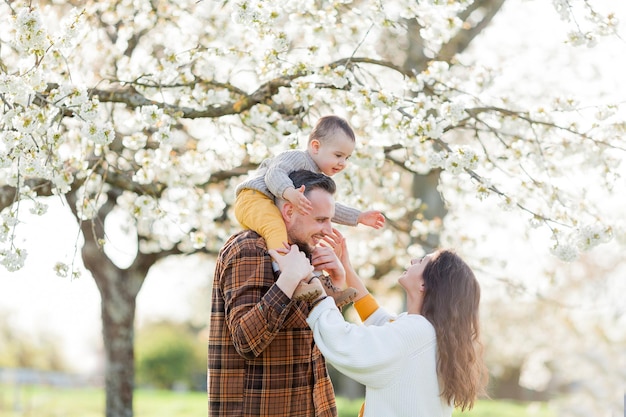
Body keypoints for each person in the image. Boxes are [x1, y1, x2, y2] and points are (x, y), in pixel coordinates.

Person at [270, 230, 489, 417]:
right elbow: (378, 318)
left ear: (425, 284)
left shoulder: (417, 333)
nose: (413, 261)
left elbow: (347, 344)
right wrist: (346, 268)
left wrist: (313, 286)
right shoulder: (428, 332)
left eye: (422, 261)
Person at [209, 170, 349, 417]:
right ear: (289, 211)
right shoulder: (250, 249)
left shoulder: (301, 255)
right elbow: (244, 340)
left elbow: (327, 339)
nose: (328, 230)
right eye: (320, 220)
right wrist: (289, 279)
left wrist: (337, 281)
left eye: (330, 220)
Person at [234, 115, 385, 306]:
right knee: (275, 228)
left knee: (309, 247)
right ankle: (291, 278)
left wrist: (359, 217)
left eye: (347, 158)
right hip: (254, 197)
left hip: (272, 201)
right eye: (338, 155)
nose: (342, 163)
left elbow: (324, 208)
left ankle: (322, 287)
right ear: (315, 147)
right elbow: (275, 172)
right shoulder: (297, 158)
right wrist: (289, 192)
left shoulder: (314, 178)